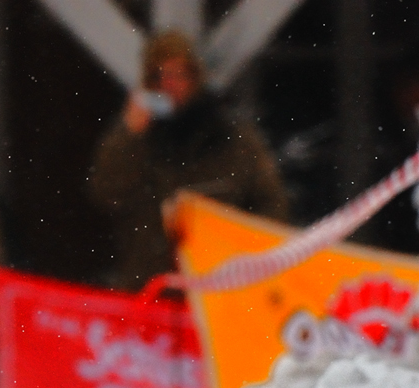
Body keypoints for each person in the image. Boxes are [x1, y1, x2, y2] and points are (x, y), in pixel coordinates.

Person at [89, 30, 288, 291]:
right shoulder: (138, 142)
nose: (170, 85)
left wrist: (240, 255)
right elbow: (106, 194)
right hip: (151, 290)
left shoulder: (233, 141)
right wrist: (129, 135)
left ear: (196, 79)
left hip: (217, 292)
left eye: (179, 75)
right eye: (160, 76)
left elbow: (271, 208)